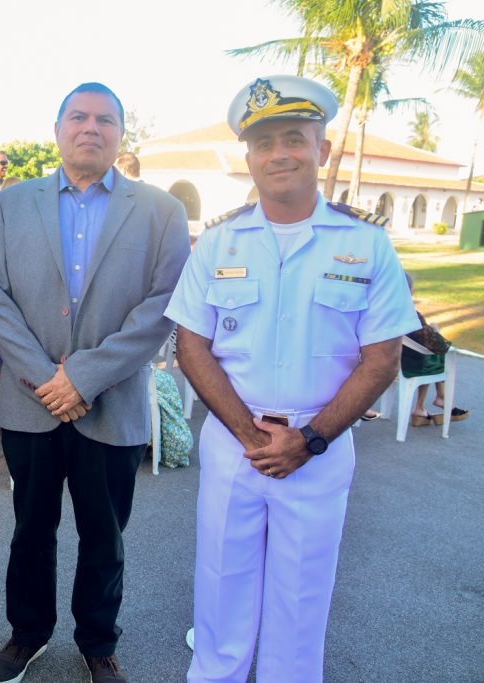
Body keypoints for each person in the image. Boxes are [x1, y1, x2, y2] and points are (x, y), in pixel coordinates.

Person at [165, 74, 420, 683]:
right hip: (234, 444)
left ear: (322, 150)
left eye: (295, 138)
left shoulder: (367, 244)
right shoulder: (218, 244)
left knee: (301, 601)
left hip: (320, 447)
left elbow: (381, 358)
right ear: (248, 158)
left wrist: (308, 442)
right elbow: (192, 344)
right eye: (264, 142)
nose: (279, 153)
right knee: (221, 590)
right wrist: (252, 437)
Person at [0, 82, 190, 683]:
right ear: (58, 129)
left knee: (104, 535)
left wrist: (85, 377)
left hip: (111, 404)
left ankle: (98, 640)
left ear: (122, 133)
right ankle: (28, 633)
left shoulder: (160, 210)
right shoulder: (11, 204)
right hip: (30, 401)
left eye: (105, 119)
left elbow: (161, 306)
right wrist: (48, 378)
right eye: (78, 117)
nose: (90, 128)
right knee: (30, 528)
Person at [401, 271, 468, 425]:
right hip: (406, 365)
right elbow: (439, 345)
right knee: (436, 354)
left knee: (426, 354)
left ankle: (422, 407)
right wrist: (435, 330)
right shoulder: (410, 313)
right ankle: (441, 398)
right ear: (409, 290)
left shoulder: (384, 309)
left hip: (392, 358)